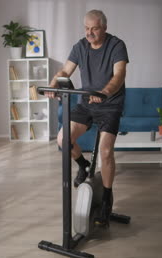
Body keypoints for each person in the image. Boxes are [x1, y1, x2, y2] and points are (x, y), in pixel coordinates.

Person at [45, 9, 128, 226]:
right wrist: (54, 84)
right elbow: (65, 71)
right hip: (86, 103)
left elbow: (119, 76)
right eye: (86, 28)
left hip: (109, 104)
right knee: (64, 140)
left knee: (106, 152)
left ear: (104, 28)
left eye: (95, 28)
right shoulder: (80, 46)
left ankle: (108, 199)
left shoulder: (116, 46)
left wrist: (106, 92)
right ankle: (82, 165)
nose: (89, 33)